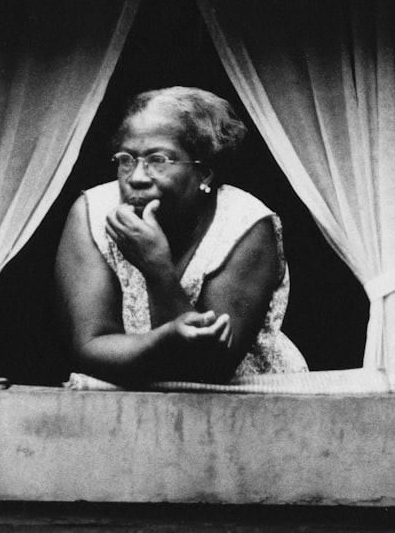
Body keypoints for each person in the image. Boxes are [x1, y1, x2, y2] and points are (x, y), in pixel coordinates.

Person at [55, 86, 308, 385]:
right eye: (126, 159)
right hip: (134, 389)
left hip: (248, 400)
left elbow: (207, 370)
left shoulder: (246, 224)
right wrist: (167, 337)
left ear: (205, 174)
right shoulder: (92, 213)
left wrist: (157, 269)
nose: (136, 177)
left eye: (158, 160)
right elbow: (90, 346)